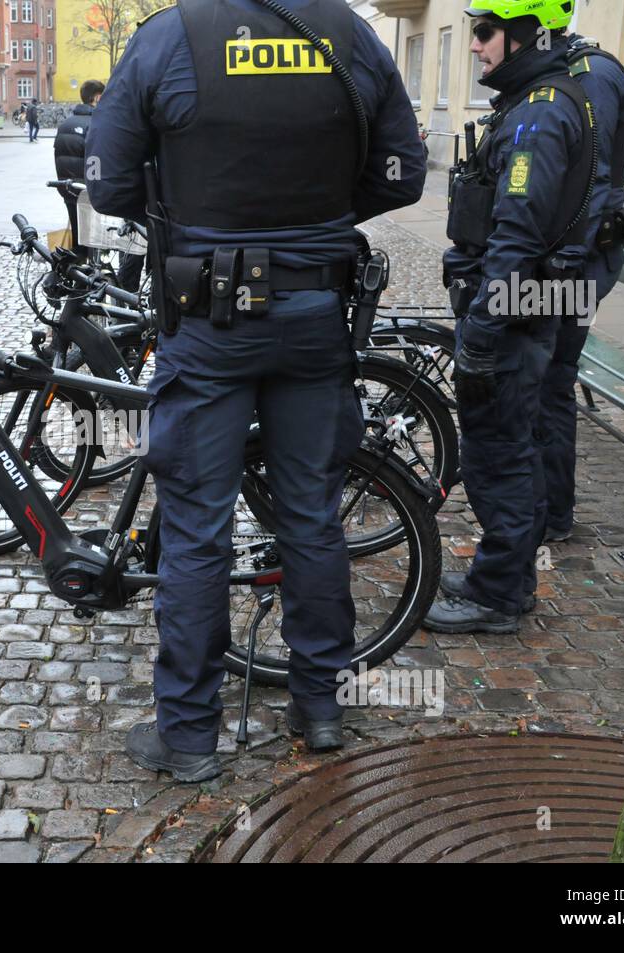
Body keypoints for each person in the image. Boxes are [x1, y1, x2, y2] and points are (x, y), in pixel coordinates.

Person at [86, 0, 426, 781]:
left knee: (197, 525)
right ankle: (322, 706)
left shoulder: (171, 36)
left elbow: (105, 184)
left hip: (208, 322)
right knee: (312, 513)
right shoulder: (351, 34)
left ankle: (190, 737)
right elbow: (401, 172)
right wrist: (320, 220)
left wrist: (198, 219)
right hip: (314, 315)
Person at [423, 1, 597, 635]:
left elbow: (518, 237)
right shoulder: (534, 101)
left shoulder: (540, 114)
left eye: (486, 33)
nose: (476, 46)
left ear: (529, 34)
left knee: (500, 452)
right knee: (508, 445)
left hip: (513, 315)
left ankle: (497, 596)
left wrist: (482, 333)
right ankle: (506, 578)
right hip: (518, 310)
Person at [538, 34, 624, 542]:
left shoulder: (590, 74)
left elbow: (589, 184)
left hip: (574, 267)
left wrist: (560, 267)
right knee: (542, 378)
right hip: (570, 263)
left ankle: (552, 513)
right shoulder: (575, 67)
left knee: (549, 380)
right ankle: (544, 505)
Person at [54, 80, 105, 257]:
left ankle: (77, 275)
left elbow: (58, 158)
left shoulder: (65, 124)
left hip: (67, 187)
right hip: (88, 191)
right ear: (97, 97)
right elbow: (96, 160)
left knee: (78, 237)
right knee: (93, 240)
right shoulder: (96, 123)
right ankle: (90, 276)